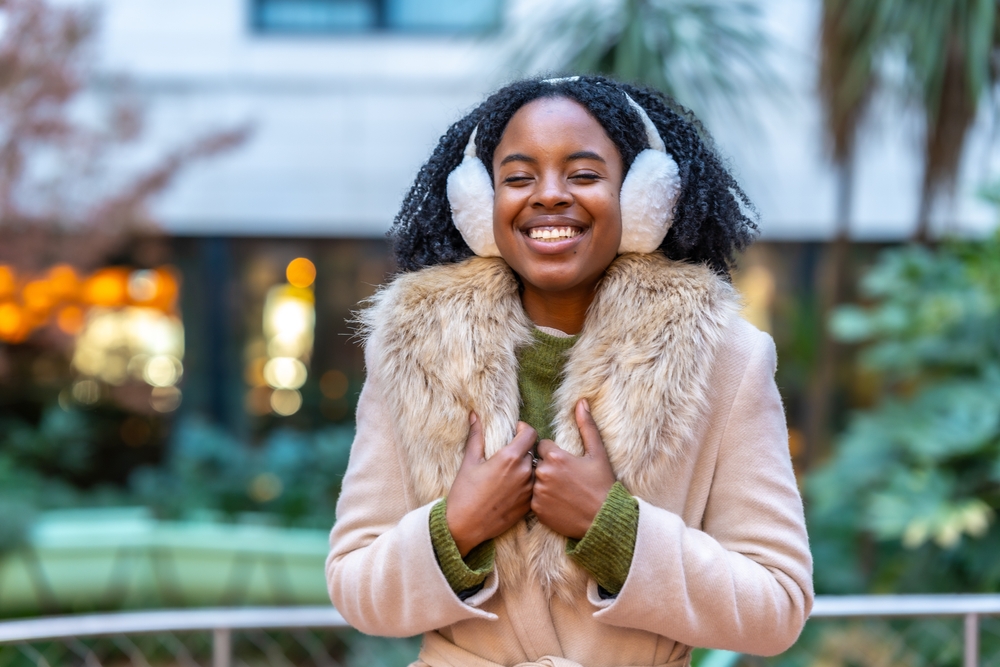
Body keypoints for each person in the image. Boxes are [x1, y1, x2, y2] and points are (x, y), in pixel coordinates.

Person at [326, 75, 813, 667]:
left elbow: (778, 608)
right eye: (518, 177)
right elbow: (355, 590)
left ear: (642, 202)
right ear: (480, 207)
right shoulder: (411, 351)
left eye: (583, 174)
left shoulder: (727, 358)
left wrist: (615, 529)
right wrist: (454, 527)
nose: (549, 195)